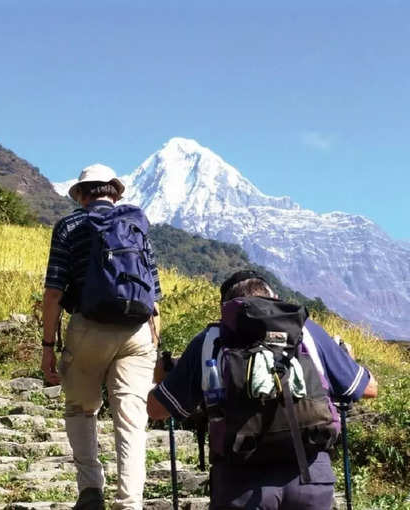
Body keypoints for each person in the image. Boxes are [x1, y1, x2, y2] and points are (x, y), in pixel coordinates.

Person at [147, 270, 378, 510]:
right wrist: (345, 358)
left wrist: (163, 377)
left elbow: (156, 410)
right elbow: (368, 389)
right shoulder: (306, 331)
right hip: (310, 478)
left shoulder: (211, 339)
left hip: (240, 484)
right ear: (274, 297)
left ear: (225, 310)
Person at [42, 164, 162, 510]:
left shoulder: (69, 225)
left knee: (81, 408)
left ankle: (92, 490)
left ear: (81, 194)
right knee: (131, 417)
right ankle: (130, 502)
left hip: (89, 326)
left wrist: (48, 347)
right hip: (137, 331)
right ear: (114, 192)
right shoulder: (135, 225)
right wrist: (153, 343)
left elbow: (53, 293)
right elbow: (154, 296)